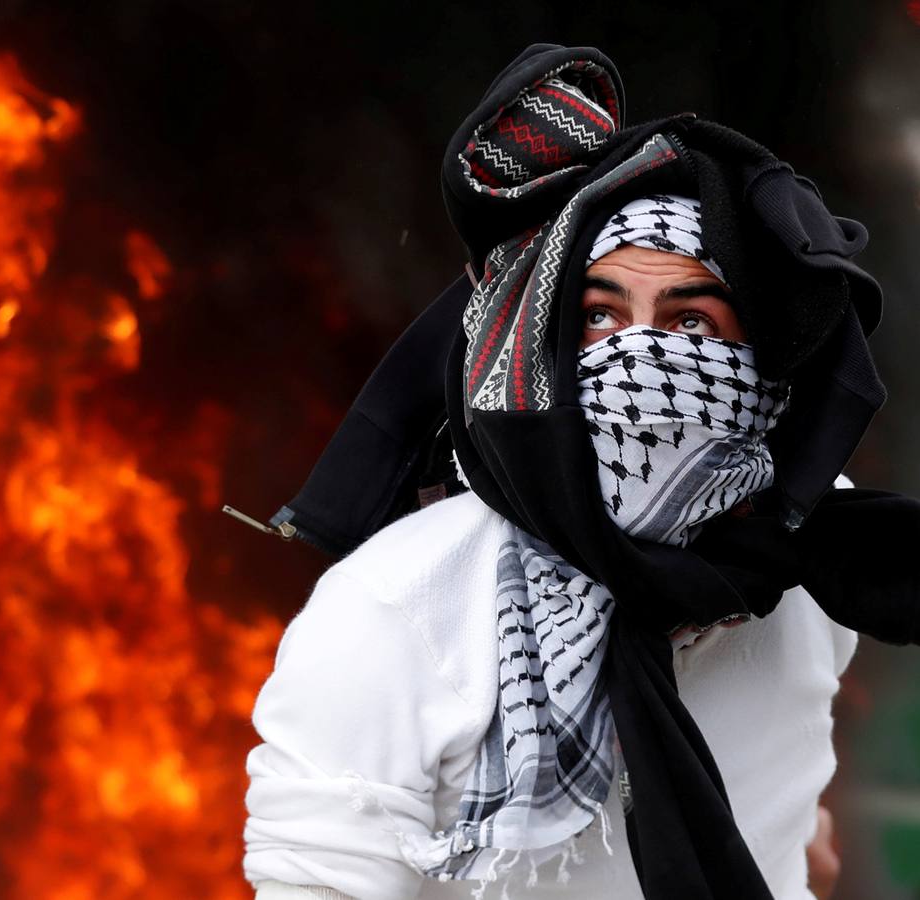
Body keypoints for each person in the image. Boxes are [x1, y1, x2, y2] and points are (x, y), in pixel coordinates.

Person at [242, 44, 920, 900]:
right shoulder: (399, 611)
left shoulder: (816, 559)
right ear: (543, 353)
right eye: (600, 317)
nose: (641, 359)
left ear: (763, 365)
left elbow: (778, 785)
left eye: (692, 323)